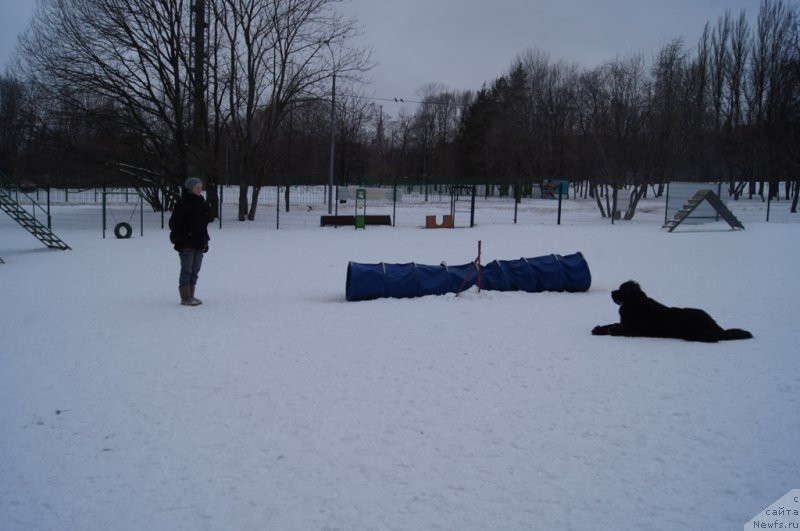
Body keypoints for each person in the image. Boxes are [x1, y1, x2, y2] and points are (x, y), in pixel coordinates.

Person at [169, 177, 212, 306]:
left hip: (199, 242)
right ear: (190, 188)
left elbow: (204, 224)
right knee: (186, 269)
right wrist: (178, 239)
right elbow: (174, 223)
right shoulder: (183, 203)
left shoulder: (202, 203)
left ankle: (191, 295)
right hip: (186, 242)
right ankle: (185, 298)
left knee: (195, 269)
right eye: (197, 187)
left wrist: (205, 240)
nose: (200, 189)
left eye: (201, 187)